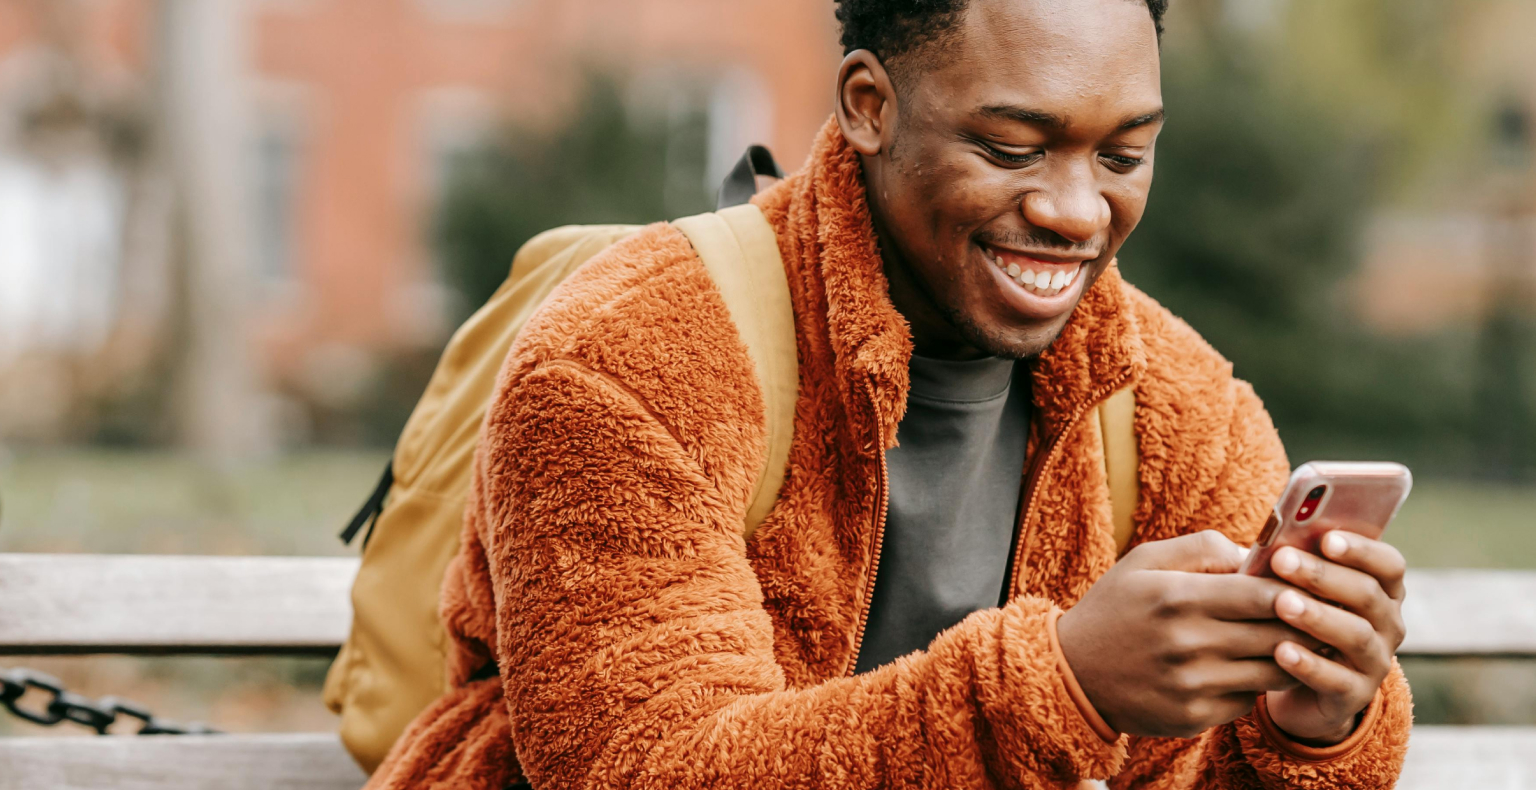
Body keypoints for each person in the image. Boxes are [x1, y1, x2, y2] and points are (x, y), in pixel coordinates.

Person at [367, 0, 1412, 787]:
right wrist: (1060, 685)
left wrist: (1307, 723)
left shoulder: (1179, 406)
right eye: (1011, 147)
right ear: (869, 106)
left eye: (1125, 153)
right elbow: (646, 766)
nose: (1073, 208)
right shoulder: (630, 354)